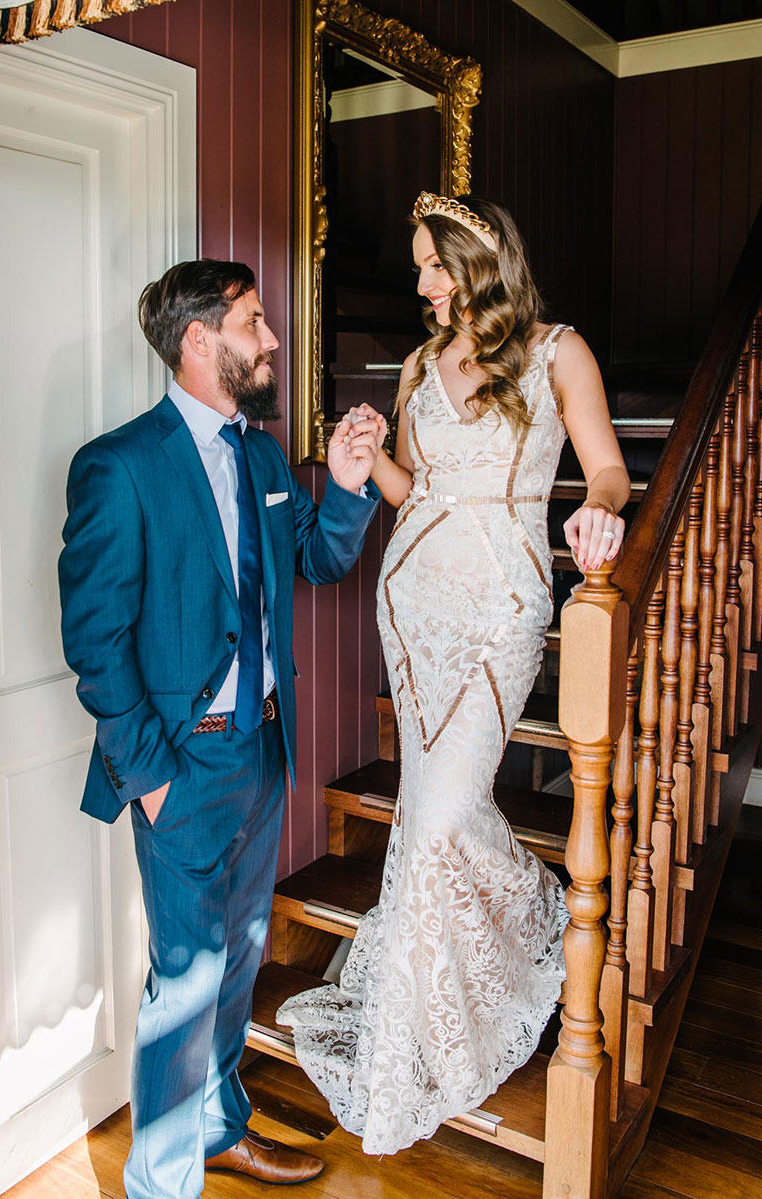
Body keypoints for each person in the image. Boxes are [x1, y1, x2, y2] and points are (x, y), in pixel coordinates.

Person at [278, 193, 630, 1155]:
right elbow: (413, 492)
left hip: (498, 614)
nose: (424, 281)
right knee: (428, 817)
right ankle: (419, 1024)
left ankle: (538, 915)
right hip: (412, 604)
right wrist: (369, 456)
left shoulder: (559, 350)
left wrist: (597, 514)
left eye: (435, 263)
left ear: (479, 260)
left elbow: (607, 471)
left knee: (437, 818)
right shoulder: (421, 365)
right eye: (424, 264)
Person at [58, 259, 383, 1199]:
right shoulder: (120, 465)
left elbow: (316, 561)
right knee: (186, 980)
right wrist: (152, 777)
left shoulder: (264, 456)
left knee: (239, 959)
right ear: (199, 340)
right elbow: (94, 639)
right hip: (181, 763)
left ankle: (215, 1126)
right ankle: (160, 1185)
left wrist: (353, 485)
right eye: (253, 320)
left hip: (261, 750)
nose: (271, 338)